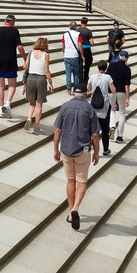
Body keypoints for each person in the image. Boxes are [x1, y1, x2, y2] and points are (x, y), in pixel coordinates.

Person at [53, 81, 100, 230]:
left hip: (66, 148)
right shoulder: (89, 109)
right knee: (82, 182)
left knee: (70, 180)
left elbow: (58, 130)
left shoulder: (65, 106)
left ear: (73, 92)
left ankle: (70, 212)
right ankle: (75, 208)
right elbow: (95, 134)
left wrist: (56, 148)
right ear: (86, 93)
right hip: (83, 150)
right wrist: (97, 153)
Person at [0, 14, 26, 119]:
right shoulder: (14, 31)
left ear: (5, 21)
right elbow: (20, 47)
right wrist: (25, 59)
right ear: (13, 22)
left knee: (0, 85)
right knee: (12, 85)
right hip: (10, 61)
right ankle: (7, 104)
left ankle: (0, 109)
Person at [22, 36, 53, 134]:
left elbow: (25, 67)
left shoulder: (30, 53)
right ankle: (36, 127)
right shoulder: (46, 55)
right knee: (39, 105)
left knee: (32, 103)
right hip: (41, 79)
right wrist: (50, 83)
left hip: (31, 78)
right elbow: (46, 70)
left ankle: (29, 118)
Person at [88, 60, 115, 156]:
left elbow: (88, 89)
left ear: (98, 68)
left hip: (93, 105)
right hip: (104, 106)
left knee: (92, 128)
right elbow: (113, 90)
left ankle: (90, 146)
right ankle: (105, 149)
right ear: (105, 68)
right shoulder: (108, 77)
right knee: (105, 129)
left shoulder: (92, 76)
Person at [107, 49, 132, 142]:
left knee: (112, 109)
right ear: (126, 59)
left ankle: (112, 126)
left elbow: (107, 78)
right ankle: (120, 136)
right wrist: (128, 98)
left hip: (111, 90)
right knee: (122, 112)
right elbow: (127, 85)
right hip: (121, 92)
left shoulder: (112, 65)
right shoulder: (127, 69)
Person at [62, 20, 84, 90]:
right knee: (76, 73)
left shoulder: (65, 34)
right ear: (76, 27)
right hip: (74, 55)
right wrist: (82, 55)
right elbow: (80, 46)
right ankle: (75, 88)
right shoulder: (78, 34)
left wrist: (64, 52)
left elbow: (63, 45)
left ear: (69, 27)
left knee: (68, 73)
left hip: (67, 55)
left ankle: (68, 88)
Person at [78, 17, 94, 83]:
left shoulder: (77, 30)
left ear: (81, 22)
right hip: (87, 49)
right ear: (86, 23)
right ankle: (85, 78)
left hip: (79, 49)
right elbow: (92, 42)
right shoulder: (88, 31)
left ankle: (80, 80)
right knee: (87, 65)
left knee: (80, 65)